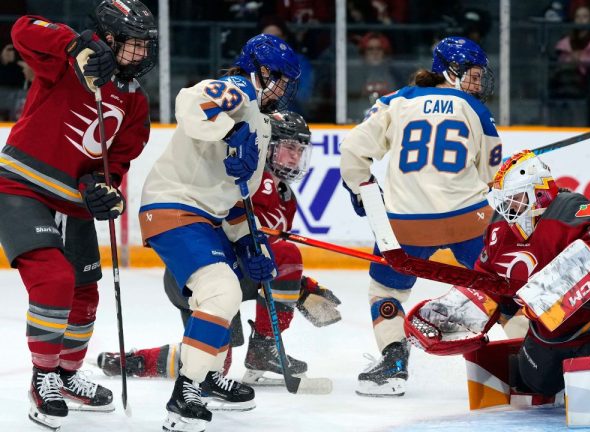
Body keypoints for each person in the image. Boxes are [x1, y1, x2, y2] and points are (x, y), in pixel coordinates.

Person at [97, 112, 341, 393]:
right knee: (212, 361)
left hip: (236, 276)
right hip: (199, 273)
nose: (295, 157)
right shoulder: (242, 179)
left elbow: (268, 254)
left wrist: (295, 283)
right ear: (268, 146)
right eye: (288, 148)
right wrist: (298, 287)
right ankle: (138, 361)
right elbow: (234, 235)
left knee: (217, 364)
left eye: (300, 150)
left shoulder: (286, 197)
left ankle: (264, 349)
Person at [0, 1, 157, 430]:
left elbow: (119, 158)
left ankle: (67, 376)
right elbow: (22, 29)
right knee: (54, 280)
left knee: (85, 294)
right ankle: (42, 377)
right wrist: (73, 45)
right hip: (21, 186)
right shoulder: (67, 63)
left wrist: (107, 188)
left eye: (146, 46)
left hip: (72, 203)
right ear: (108, 39)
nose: (141, 55)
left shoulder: (136, 103)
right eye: (133, 46)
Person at [138, 33, 300, 432]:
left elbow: (234, 197)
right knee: (221, 290)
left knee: (223, 299)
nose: (281, 87)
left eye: (286, 81)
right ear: (258, 70)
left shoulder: (261, 124)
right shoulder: (238, 89)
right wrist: (230, 132)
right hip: (174, 204)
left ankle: (207, 374)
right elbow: (189, 102)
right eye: (277, 77)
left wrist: (250, 241)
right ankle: (185, 393)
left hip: (209, 217)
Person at [407, 150, 590, 399]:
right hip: (552, 334)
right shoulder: (500, 228)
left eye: (515, 198)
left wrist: (554, 291)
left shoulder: (571, 209)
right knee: (535, 384)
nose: (507, 207)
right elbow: (489, 283)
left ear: (540, 192)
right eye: (504, 200)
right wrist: (450, 314)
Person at [339, 36, 502, 397]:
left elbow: (352, 148)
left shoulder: (397, 101)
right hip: (468, 219)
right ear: (451, 71)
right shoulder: (476, 110)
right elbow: (493, 176)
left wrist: (362, 187)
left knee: (385, 290)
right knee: (501, 287)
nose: (477, 84)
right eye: (473, 75)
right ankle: (536, 360)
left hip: (406, 224)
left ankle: (394, 364)